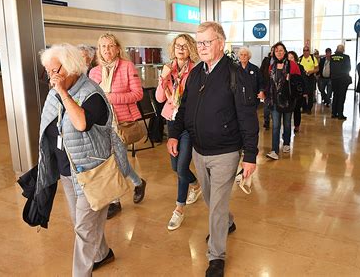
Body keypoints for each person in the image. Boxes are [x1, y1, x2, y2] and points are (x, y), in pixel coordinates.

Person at [167, 21, 258, 277]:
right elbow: (183, 108)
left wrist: (249, 155)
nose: (202, 47)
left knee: (216, 205)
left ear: (221, 43)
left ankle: (216, 256)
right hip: (199, 150)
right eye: (199, 42)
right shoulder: (196, 73)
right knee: (209, 198)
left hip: (226, 152)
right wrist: (174, 134)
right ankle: (227, 222)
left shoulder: (235, 74)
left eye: (207, 42)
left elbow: (248, 117)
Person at [38, 43, 137, 275]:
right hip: (67, 171)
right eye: (49, 72)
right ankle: (102, 253)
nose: (52, 78)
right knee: (82, 222)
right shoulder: (55, 92)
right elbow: (49, 129)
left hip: (92, 173)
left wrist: (62, 92)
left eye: (55, 71)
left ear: (71, 67)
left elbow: (81, 124)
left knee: (83, 229)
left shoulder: (92, 94)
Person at [89, 33, 146, 219]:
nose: (107, 50)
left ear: (118, 48)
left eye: (110, 46)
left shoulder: (127, 67)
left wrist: (112, 98)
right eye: (103, 46)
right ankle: (115, 201)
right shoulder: (94, 72)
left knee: (120, 162)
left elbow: (138, 94)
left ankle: (138, 183)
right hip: (101, 124)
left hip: (121, 122)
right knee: (109, 162)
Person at [155, 34, 202, 231]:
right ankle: (196, 184)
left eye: (184, 46)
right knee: (176, 167)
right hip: (172, 120)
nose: (181, 49)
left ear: (190, 48)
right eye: (177, 46)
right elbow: (159, 98)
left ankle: (179, 208)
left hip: (188, 124)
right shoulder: (169, 70)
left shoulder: (196, 70)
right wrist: (163, 78)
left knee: (182, 167)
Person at [265, 42, 303, 160]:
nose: (279, 53)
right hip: (275, 101)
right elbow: (270, 84)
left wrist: (290, 79)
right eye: (276, 51)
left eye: (281, 50)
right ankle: (274, 150)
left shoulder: (292, 65)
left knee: (287, 124)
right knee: (275, 125)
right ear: (274, 53)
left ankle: (286, 143)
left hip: (288, 100)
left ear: (285, 52)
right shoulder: (272, 66)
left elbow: (299, 82)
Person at [288, 51, 308, 133]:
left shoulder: (300, 67)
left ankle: (297, 126)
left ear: (295, 59)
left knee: (297, 110)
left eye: (291, 57)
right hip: (288, 93)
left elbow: (303, 80)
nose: (290, 59)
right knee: (288, 111)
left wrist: (304, 92)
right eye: (288, 58)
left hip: (297, 93)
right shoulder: (284, 67)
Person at [330, 44, 352, 120]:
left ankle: (333, 113)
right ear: (343, 50)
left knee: (335, 95)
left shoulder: (332, 57)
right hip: (343, 79)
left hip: (334, 79)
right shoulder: (346, 57)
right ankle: (340, 114)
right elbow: (348, 68)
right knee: (341, 97)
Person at [298, 46, 319, 114]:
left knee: (310, 93)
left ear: (309, 51)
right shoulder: (300, 58)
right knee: (302, 93)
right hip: (302, 78)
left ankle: (309, 108)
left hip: (311, 77)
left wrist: (311, 71)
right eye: (304, 50)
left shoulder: (313, 58)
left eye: (307, 50)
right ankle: (304, 108)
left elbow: (317, 69)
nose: (305, 52)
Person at [260, 46, 274, 130]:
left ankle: (275, 121)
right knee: (266, 106)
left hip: (276, 87)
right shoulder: (266, 60)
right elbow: (261, 72)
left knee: (275, 106)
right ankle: (266, 121)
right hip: (267, 86)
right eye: (273, 50)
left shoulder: (280, 61)